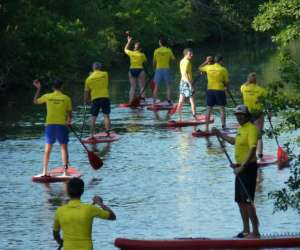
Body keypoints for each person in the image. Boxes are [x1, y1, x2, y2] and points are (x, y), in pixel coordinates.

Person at [212, 105, 260, 238]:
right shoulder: (241, 129)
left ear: (247, 116)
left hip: (248, 168)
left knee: (248, 201)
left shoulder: (252, 129)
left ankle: (255, 232)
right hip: (239, 168)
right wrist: (220, 135)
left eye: (241, 115)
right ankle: (245, 230)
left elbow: (252, 150)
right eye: (237, 115)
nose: (239, 117)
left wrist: (242, 167)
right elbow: (234, 142)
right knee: (240, 201)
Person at [53, 177, 116, 250]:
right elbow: (112, 216)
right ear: (82, 191)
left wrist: (61, 242)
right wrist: (100, 203)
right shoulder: (89, 209)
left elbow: (55, 234)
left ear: (67, 191)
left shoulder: (60, 211)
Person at [33, 79, 72, 176]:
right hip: (62, 125)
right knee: (64, 149)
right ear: (62, 87)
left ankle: (44, 171)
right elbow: (70, 114)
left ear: (52, 88)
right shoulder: (66, 98)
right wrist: (68, 122)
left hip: (50, 126)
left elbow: (35, 101)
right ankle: (66, 172)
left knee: (47, 150)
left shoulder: (47, 96)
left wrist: (38, 89)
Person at [241, 72, 267, 163]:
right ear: (256, 80)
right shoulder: (261, 90)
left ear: (248, 79)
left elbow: (243, 85)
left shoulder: (243, 88)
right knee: (258, 136)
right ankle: (259, 157)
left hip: (247, 114)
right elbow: (266, 102)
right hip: (258, 114)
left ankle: (249, 156)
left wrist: (248, 81)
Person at [199, 55, 229, 131]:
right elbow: (227, 82)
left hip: (210, 90)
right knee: (222, 109)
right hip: (220, 90)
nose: (224, 62)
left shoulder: (208, 67)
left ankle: (206, 127)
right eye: (223, 61)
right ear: (220, 61)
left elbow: (199, 68)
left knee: (209, 109)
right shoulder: (223, 69)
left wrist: (206, 61)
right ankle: (223, 126)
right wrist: (226, 87)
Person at [84, 62, 111, 138]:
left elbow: (86, 92)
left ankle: (91, 134)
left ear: (93, 68)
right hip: (105, 97)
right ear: (100, 67)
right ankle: (108, 132)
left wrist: (86, 101)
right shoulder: (105, 74)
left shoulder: (88, 79)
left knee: (93, 116)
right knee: (106, 115)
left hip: (95, 99)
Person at [124, 35, 147, 104]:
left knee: (132, 87)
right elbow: (145, 61)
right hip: (140, 70)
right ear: (140, 49)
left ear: (134, 48)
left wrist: (128, 42)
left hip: (131, 70)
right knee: (141, 86)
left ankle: (130, 101)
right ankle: (142, 102)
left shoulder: (131, 53)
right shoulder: (142, 55)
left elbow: (125, 49)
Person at [152, 38, 175, 104]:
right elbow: (173, 59)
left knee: (156, 85)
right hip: (166, 69)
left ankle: (154, 101)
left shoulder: (156, 50)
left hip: (158, 69)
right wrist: (170, 63)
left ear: (160, 43)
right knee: (168, 86)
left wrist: (154, 68)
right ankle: (169, 100)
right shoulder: (169, 50)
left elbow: (154, 61)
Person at [176, 48, 196, 120]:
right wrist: (190, 85)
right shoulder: (187, 62)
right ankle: (195, 117)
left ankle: (179, 118)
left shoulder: (181, 61)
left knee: (181, 101)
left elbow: (184, 74)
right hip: (187, 83)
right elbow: (185, 74)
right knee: (192, 101)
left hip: (182, 82)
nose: (192, 55)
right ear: (186, 54)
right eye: (190, 54)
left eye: (192, 53)